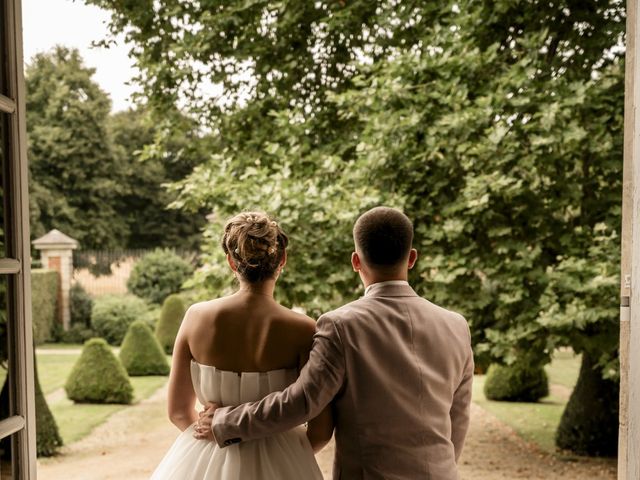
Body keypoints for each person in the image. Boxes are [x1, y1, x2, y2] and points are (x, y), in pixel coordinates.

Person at [196, 206, 474, 480]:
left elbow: (302, 402)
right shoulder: (457, 326)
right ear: (412, 258)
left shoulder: (341, 325)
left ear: (355, 261)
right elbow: (457, 420)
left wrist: (225, 421)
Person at [150, 211, 330, 480]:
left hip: (207, 457)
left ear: (232, 264)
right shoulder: (304, 329)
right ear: (282, 259)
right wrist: (287, 457)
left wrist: (215, 444)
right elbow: (321, 429)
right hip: (286, 464)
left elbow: (177, 411)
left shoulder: (196, 317)